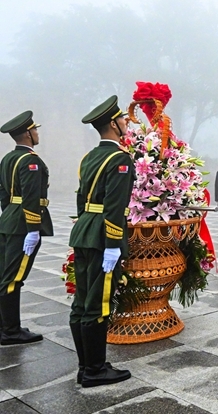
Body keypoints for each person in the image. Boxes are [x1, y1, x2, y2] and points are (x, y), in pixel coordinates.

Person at [69, 96, 134, 387]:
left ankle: (86, 366)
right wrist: (112, 244)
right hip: (102, 237)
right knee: (98, 301)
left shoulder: (89, 157)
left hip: (85, 231)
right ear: (113, 124)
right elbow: (115, 206)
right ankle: (95, 370)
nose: (125, 122)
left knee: (81, 302)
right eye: (122, 119)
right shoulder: (119, 159)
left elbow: (81, 199)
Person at [0, 111, 52, 345]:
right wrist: (33, 228)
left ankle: (4, 326)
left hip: (9, 220)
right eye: (35, 130)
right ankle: (11, 331)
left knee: (4, 275)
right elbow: (31, 197)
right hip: (23, 225)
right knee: (13, 278)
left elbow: (3, 193)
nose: (37, 133)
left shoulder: (8, 159)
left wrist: (9, 214)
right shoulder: (31, 161)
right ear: (28, 134)